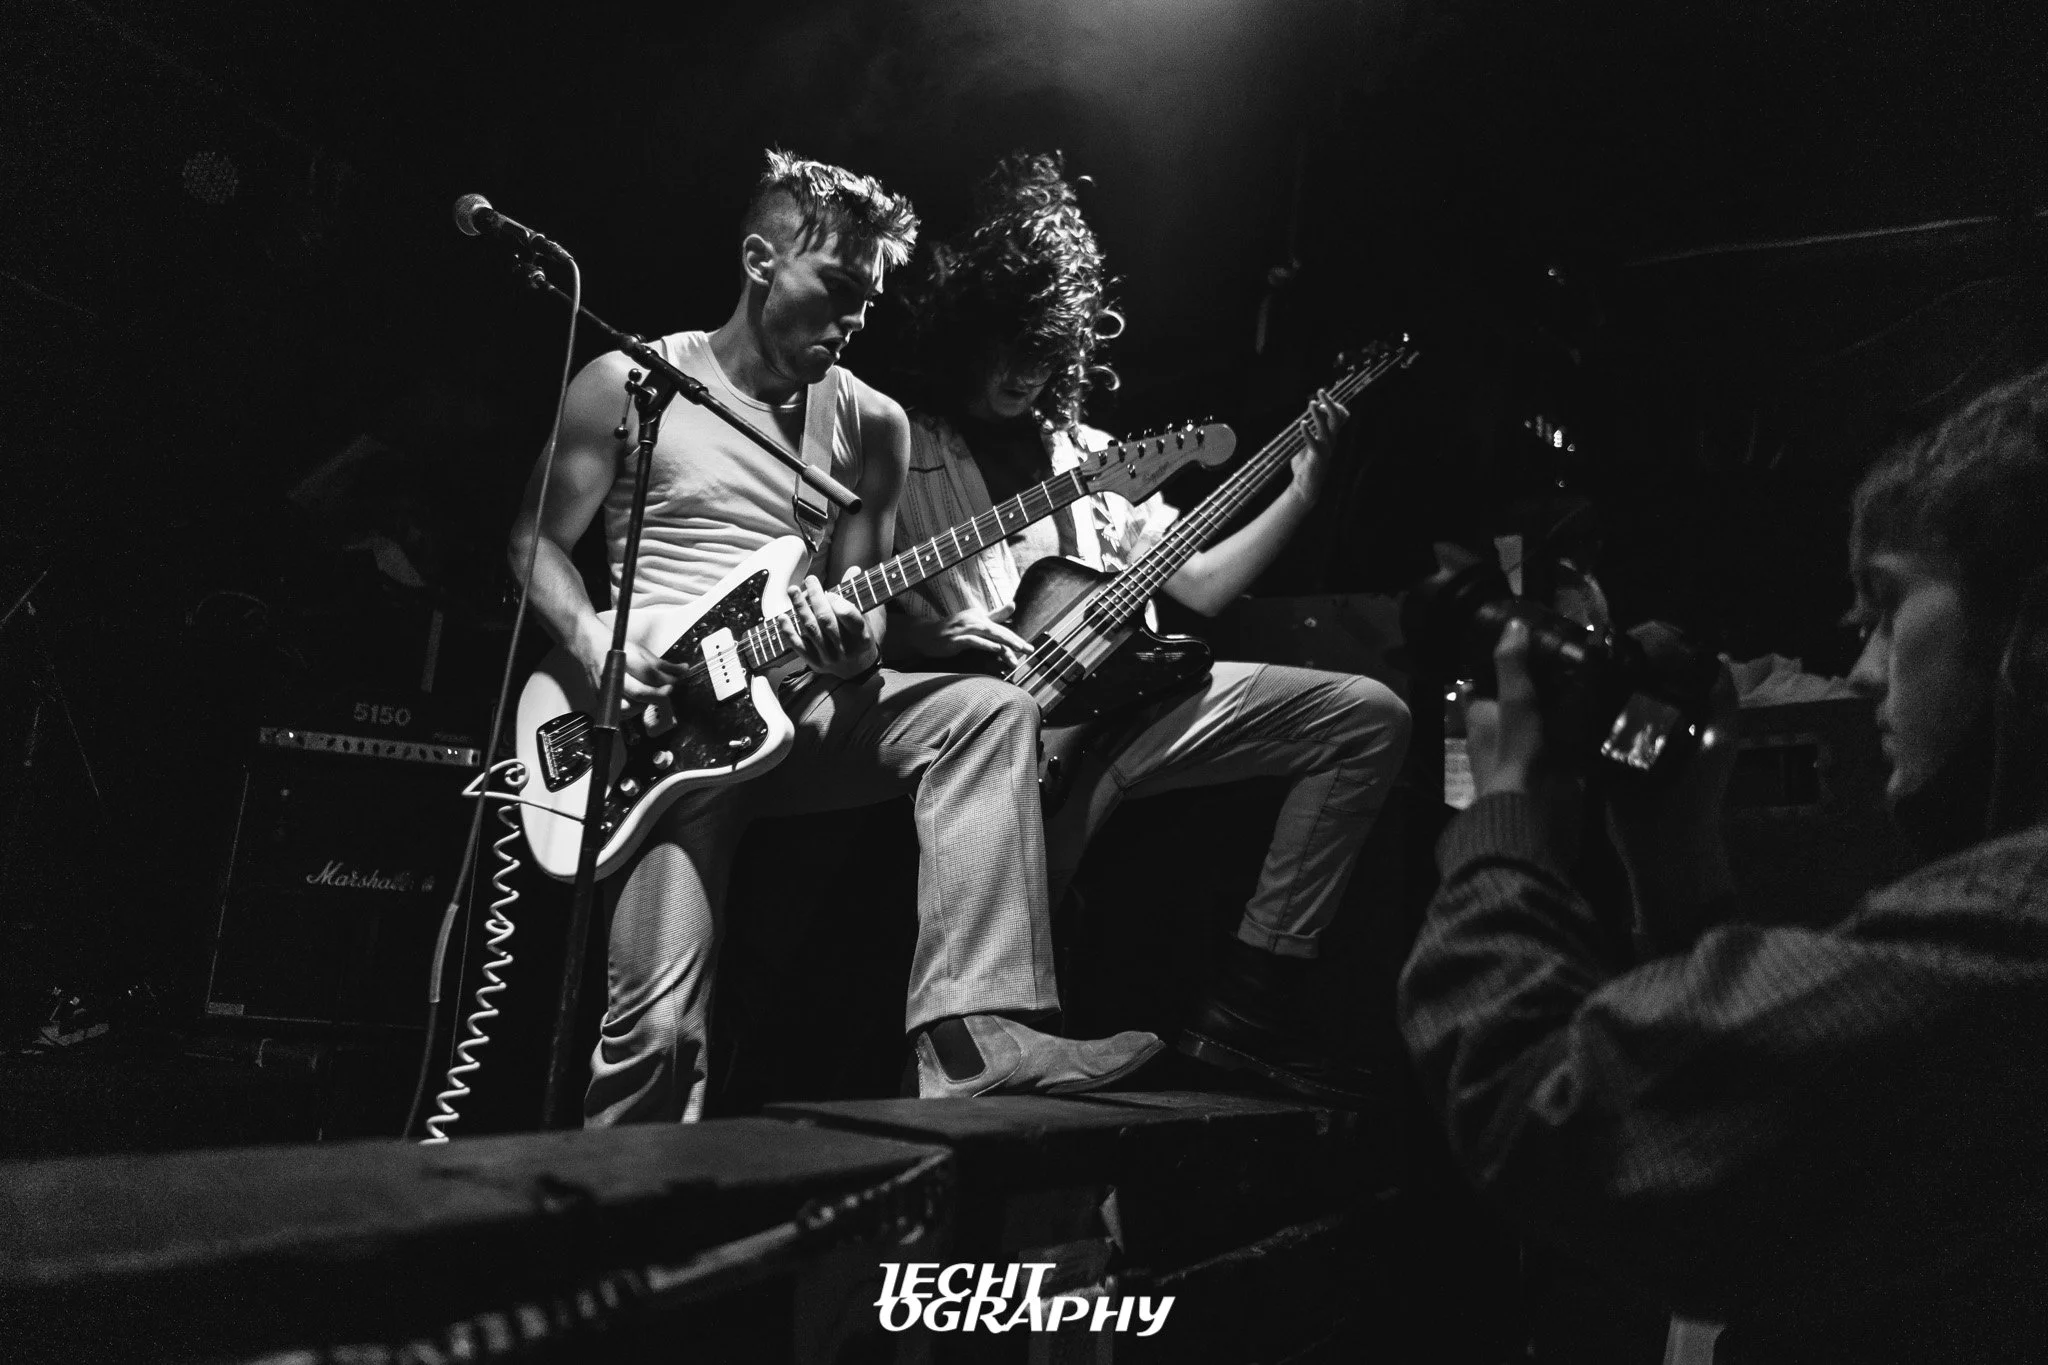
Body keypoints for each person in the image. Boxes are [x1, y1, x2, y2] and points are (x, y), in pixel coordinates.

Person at [1398, 363, 2048, 1361]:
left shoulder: (2011, 933)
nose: (1862, 669)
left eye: (1886, 607)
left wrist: (1505, 814)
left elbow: (1557, 1119)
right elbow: (1766, 1149)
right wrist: (1676, 864)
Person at [507, 150, 1162, 1125]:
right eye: (839, 290)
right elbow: (533, 542)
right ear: (760, 259)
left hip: (800, 708)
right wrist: (596, 645)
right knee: (658, 1036)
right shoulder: (630, 382)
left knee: (987, 713)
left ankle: (976, 1038)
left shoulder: (870, 425)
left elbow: (863, 611)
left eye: (869, 300)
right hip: (663, 735)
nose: (855, 320)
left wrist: (852, 648)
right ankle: (629, 1216)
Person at [887, 153, 1413, 1105]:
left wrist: (1303, 492)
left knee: (1370, 717)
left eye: (1042, 348)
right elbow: (859, 587)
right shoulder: (905, 444)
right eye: (1005, 344)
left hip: (1135, 709)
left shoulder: (1097, 458)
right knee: (1020, 928)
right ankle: (975, 1079)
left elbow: (1200, 585)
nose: (1021, 370)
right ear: (965, 333)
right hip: (1003, 741)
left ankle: (1250, 999)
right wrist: (931, 629)